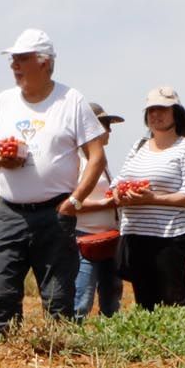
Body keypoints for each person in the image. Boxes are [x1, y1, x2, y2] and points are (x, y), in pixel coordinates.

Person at [0, 28, 108, 337]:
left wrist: (74, 202)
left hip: (55, 213)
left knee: (58, 296)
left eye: (22, 59)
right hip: (11, 213)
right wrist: (1, 158)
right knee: (2, 291)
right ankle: (3, 355)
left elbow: (96, 157)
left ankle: (58, 362)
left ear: (45, 63)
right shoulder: (3, 102)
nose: (14, 66)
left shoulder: (71, 100)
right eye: (13, 60)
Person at [111, 88, 185, 311]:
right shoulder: (139, 146)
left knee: (173, 301)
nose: (156, 114)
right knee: (145, 302)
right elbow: (119, 181)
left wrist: (153, 198)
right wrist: (120, 194)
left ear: (176, 113)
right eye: (151, 110)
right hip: (136, 235)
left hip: (169, 237)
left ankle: (180, 346)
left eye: (163, 109)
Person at [71, 103, 124, 318]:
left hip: (108, 239)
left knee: (111, 298)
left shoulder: (100, 161)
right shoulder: (79, 161)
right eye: (105, 124)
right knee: (81, 301)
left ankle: (108, 344)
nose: (109, 130)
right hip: (86, 239)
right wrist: (107, 204)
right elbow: (69, 203)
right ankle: (72, 343)